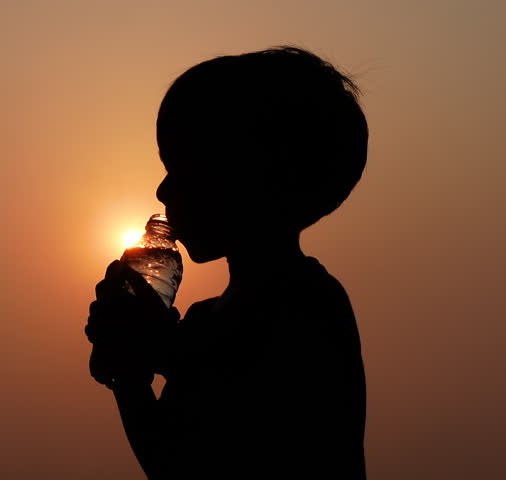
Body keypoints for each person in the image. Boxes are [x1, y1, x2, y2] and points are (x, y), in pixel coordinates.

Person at [85, 46, 368, 479]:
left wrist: (156, 349)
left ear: (257, 176)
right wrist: (130, 376)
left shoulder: (308, 308)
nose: (163, 190)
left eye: (183, 168)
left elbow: (252, 425)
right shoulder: (202, 323)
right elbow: (174, 462)